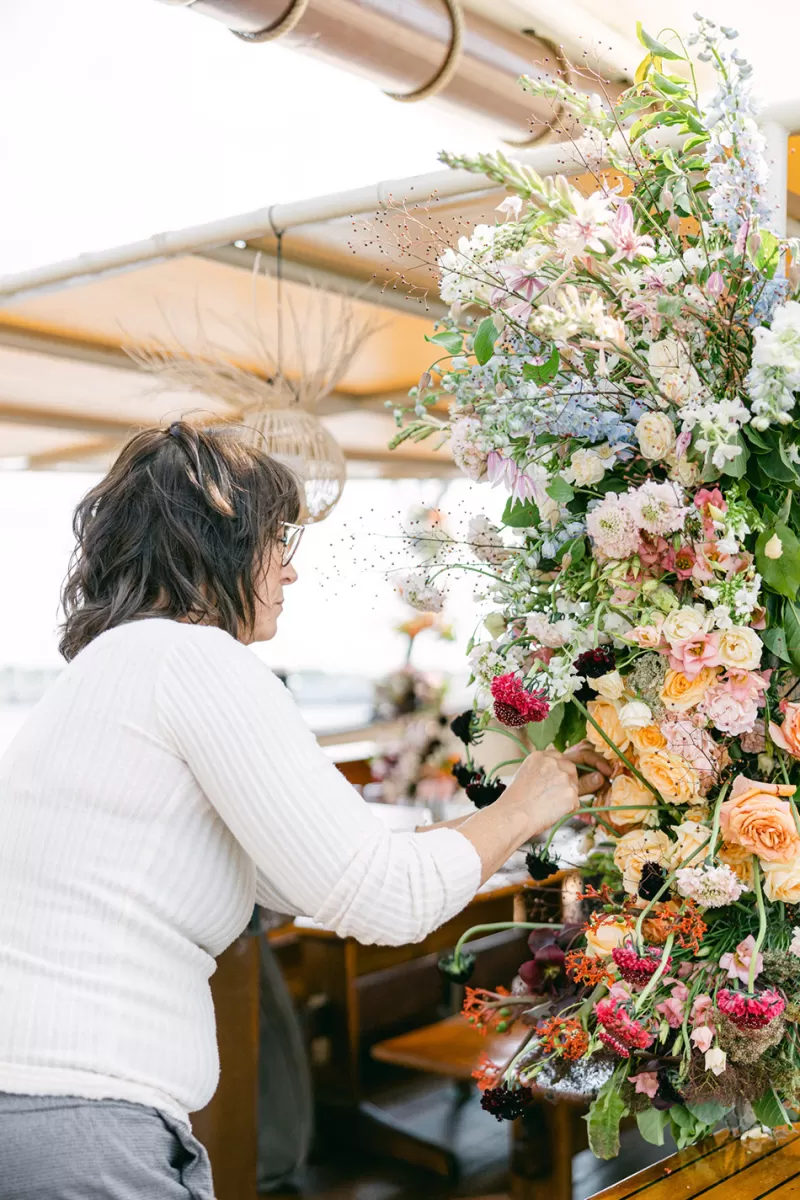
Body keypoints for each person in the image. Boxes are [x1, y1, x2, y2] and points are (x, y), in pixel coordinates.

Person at [0, 422, 610, 1199]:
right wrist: (524, 809)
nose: (289, 571)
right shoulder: (195, 658)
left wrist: (486, 824)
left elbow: (316, 880)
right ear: (214, 539)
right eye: (275, 539)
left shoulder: (109, 669)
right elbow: (385, 897)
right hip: (81, 1124)